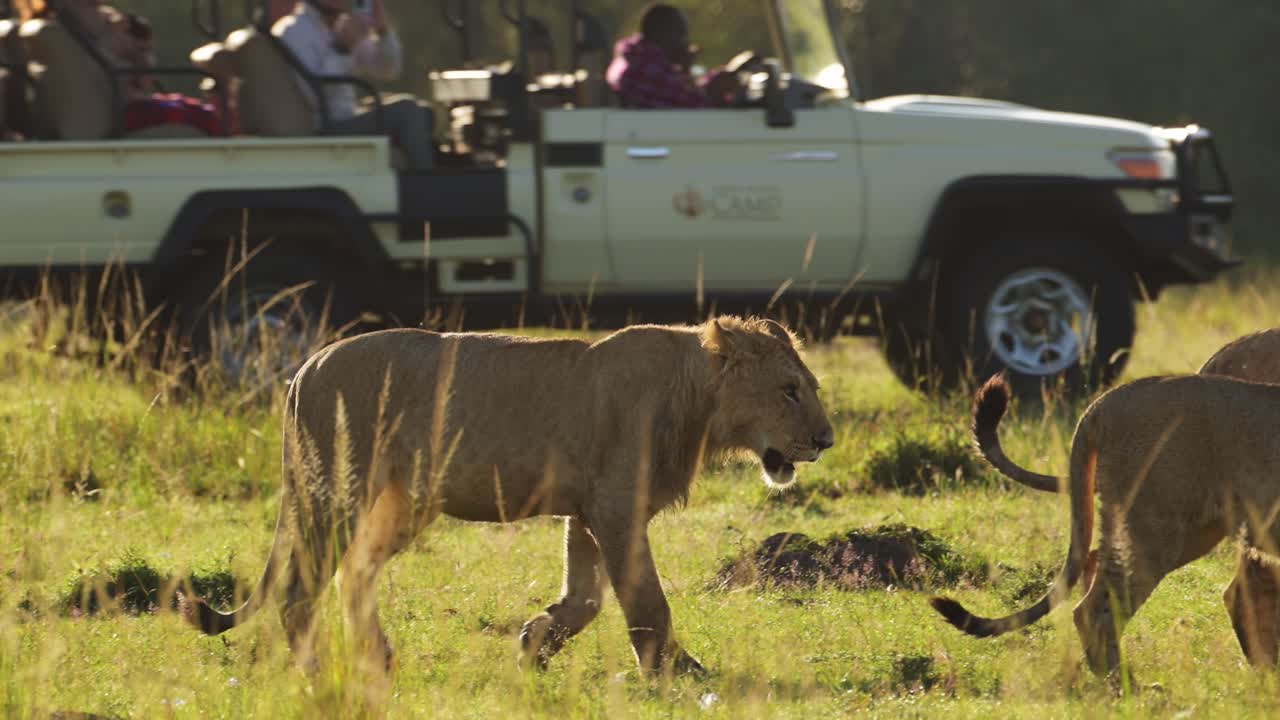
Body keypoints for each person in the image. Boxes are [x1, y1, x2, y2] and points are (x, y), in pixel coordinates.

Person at [273, 0, 434, 170]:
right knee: (407, 111)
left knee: (424, 112)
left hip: (345, 116)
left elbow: (389, 69)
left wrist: (383, 31)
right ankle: (426, 182)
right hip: (325, 127)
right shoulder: (294, 31)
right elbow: (312, 96)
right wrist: (342, 49)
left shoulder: (339, 27)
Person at [605, 3, 740, 109]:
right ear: (661, 33)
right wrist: (715, 91)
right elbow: (694, 108)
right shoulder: (643, 67)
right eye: (681, 34)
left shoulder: (636, 57)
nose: (685, 43)